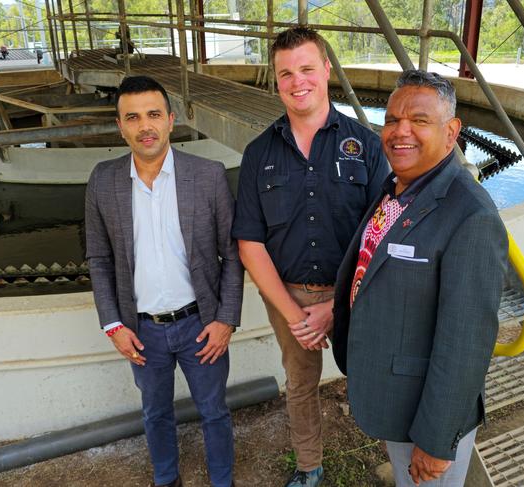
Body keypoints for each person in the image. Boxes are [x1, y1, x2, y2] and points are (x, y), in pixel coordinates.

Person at [332, 70, 508, 487]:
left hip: (428, 416)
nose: (399, 132)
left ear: (451, 133)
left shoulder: (471, 217)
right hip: (399, 396)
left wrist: (435, 440)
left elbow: (466, 342)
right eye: (392, 120)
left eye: (419, 121)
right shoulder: (398, 186)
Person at [231, 26, 389, 487]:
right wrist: (297, 316)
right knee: (299, 385)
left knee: (375, 372)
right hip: (289, 297)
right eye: (285, 73)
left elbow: (380, 232)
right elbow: (250, 243)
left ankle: (397, 451)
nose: (297, 81)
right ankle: (308, 466)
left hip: (356, 290)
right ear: (274, 80)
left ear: (325, 70)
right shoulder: (258, 153)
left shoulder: (367, 145)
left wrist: (338, 304)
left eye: (306, 68)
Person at [85, 75, 243, 487]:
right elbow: (99, 258)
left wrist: (225, 319)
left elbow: (232, 253)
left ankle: (222, 482)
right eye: (133, 117)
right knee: (154, 413)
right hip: (141, 330)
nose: (145, 126)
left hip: (201, 325)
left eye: (154, 114)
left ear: (171, 120)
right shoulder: (102, 180)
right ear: (120, 126)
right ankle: (166, 479)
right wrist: (112, 324)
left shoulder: (208, 175)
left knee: (214, 411)